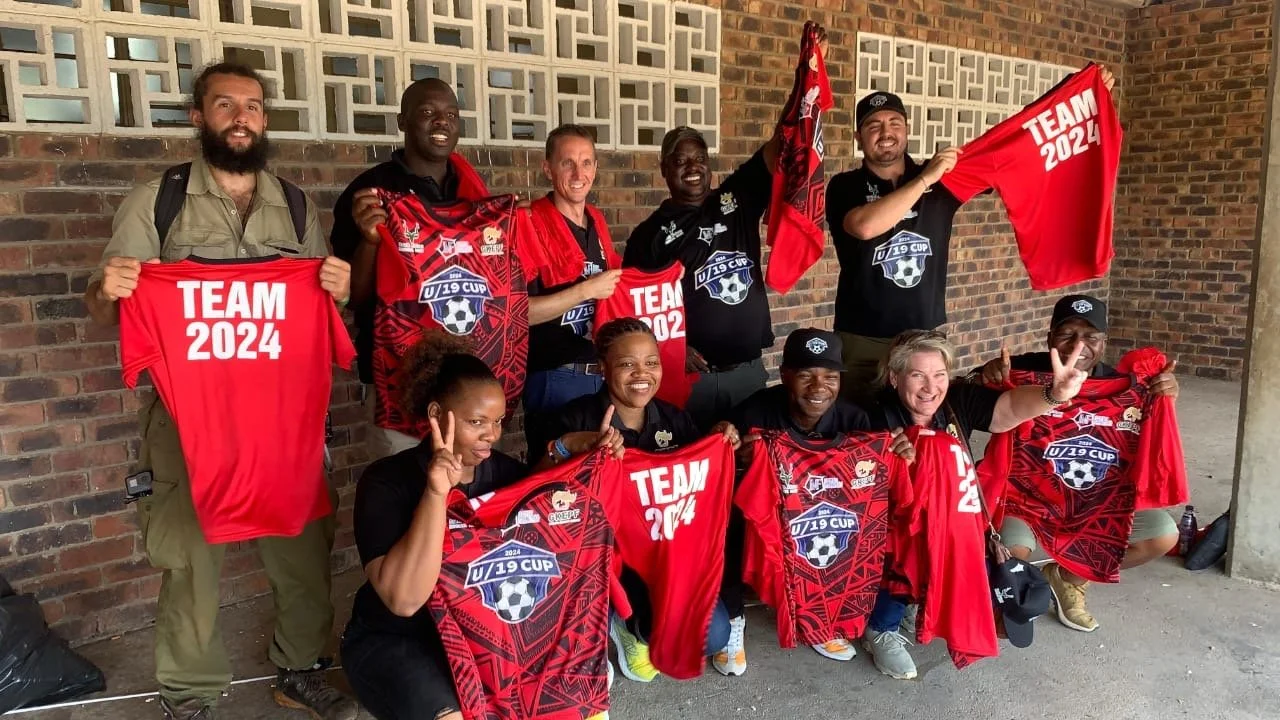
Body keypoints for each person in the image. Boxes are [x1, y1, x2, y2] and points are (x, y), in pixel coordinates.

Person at [83, 63, 357, 720]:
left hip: (281, 420)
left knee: (302, 546)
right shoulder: (158, 201)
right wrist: (109, 288)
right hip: (188, 416)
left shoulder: (295, 205)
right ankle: (190, 693)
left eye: (254, 107)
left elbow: (319, 309)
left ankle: (302, 669)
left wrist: (337, 291)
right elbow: (107, 306)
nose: (241, 117)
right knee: (188, 556)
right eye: (225, 104)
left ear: (264, 119)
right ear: (198, 117)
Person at [826, 69, 1116, 406]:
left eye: (894, 123)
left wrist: (1068, 97)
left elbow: (1006, 145)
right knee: (861, 430)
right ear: (859, 138)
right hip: (862, 338)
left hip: (926, 336)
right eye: (873, 126)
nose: (886, 132)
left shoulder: (944, 178)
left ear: (906, 131)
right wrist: (926, 179)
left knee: (924, 424)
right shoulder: (845, 186)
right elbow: (864, 226)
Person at [622, 27, 828, 431]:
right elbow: (633, 310)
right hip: (690, 380)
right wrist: (668, 349)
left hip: (748, 374)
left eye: (699, 158)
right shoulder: (649, 234)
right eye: (681, 161)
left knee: (750, 463)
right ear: (664, 170)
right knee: (697, 464)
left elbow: (782, 143)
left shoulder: (734, 199)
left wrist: (805, 76)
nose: (693, 167)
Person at [862, 329, 1087, 681]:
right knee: (901, 560)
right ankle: (881, 627)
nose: (929, 387)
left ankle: (916, 602)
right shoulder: (871, 414)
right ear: (894, 377)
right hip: (893, 531)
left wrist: (1053, 395)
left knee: (960, 562)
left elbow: (1009, 408)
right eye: (917, 375)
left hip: (953, 519)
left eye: (938, 375)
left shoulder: (956, 401)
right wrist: (883, 454)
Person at [533, 318, 738, 682]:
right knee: (645, 619)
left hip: (668, 555)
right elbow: (536, 487)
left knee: (714, 635)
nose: (641, 373)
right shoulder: (575, 416)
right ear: (603, 368)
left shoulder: (674, 418)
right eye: (627, 364)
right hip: (600, 557)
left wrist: (719, 442)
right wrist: (570, 446)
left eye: (651, 362)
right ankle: (619, 619)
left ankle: (633, 626)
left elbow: (699, 483)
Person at [342, 333, 528, 720]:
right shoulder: (385, 482)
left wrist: (568, 451)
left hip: (478, 636)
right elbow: (404, 600)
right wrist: (435, 494)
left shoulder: (509, 475)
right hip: (397, 640)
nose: (492, 435)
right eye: (476, 422)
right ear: (436, 414)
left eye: (497, 421)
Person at [976, 294, 1180, 633]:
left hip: (1096, 501)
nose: (1078, 345)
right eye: (1067, 333)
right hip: (1025, 500)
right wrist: (985, 376)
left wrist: (1165, 394)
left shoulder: (1124, 387)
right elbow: (966, 399)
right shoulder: (1022, 371)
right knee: (1009, 554)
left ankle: (1068, 578)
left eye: (1090, 337)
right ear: (1049, 338)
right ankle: (1015, 594)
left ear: (1103, 342)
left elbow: (1157, 427)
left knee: (1161, 536)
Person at [720, 329, 913, 675]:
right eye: (806, 374)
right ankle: (734, 619)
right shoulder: (755, 411)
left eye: (830, 376)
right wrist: (731, 447)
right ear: (785, 376)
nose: (818, 386)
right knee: (726, 527)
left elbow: (870, 490)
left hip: (820, 522)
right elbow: (719, 463)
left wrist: (898, 453)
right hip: (771, 521)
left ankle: (822, 618)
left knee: (852, 535)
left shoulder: (856, 420)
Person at [330, 78, 491, 459]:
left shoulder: (474, 192)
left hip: (466, 379)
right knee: (403, 499)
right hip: (397, 380)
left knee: (461, 506)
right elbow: (355, 296)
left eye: (451, 114)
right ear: (403, 121)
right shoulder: (370, 191)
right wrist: (371, 240)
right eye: (427, 113)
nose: (441, 122)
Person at [523, 124, 623, 414]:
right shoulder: (529, 221)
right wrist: (585, 290)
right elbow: (520, 312)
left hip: (601, 372)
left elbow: (617, 281)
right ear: (547, 169)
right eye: (568, 163)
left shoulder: (596, 220)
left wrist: (662, 281)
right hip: (555, 376)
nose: (579, 175)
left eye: (586, 162)